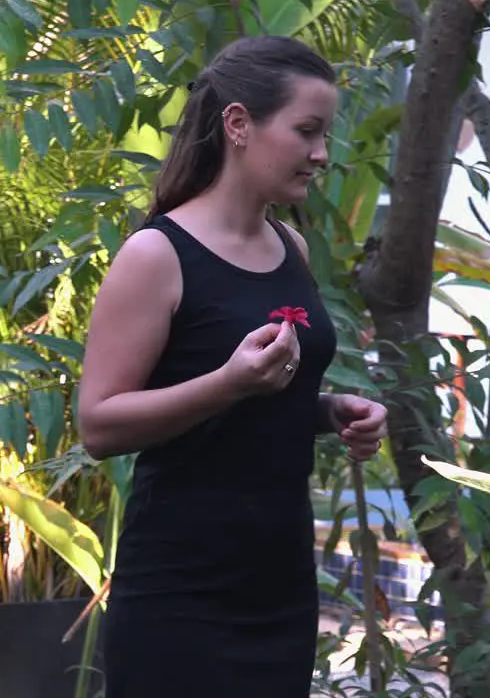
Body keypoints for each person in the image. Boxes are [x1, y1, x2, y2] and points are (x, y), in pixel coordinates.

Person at [77, 35, 389, 696]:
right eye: (306, 131)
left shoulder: (290, 247)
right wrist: (226, 383)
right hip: (178, 593)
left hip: (278, 584)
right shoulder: (156, 255)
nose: (321, 153)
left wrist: (333, 412)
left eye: (325, 133)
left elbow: (260, 410)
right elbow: (99, 426)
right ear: (239, 125)